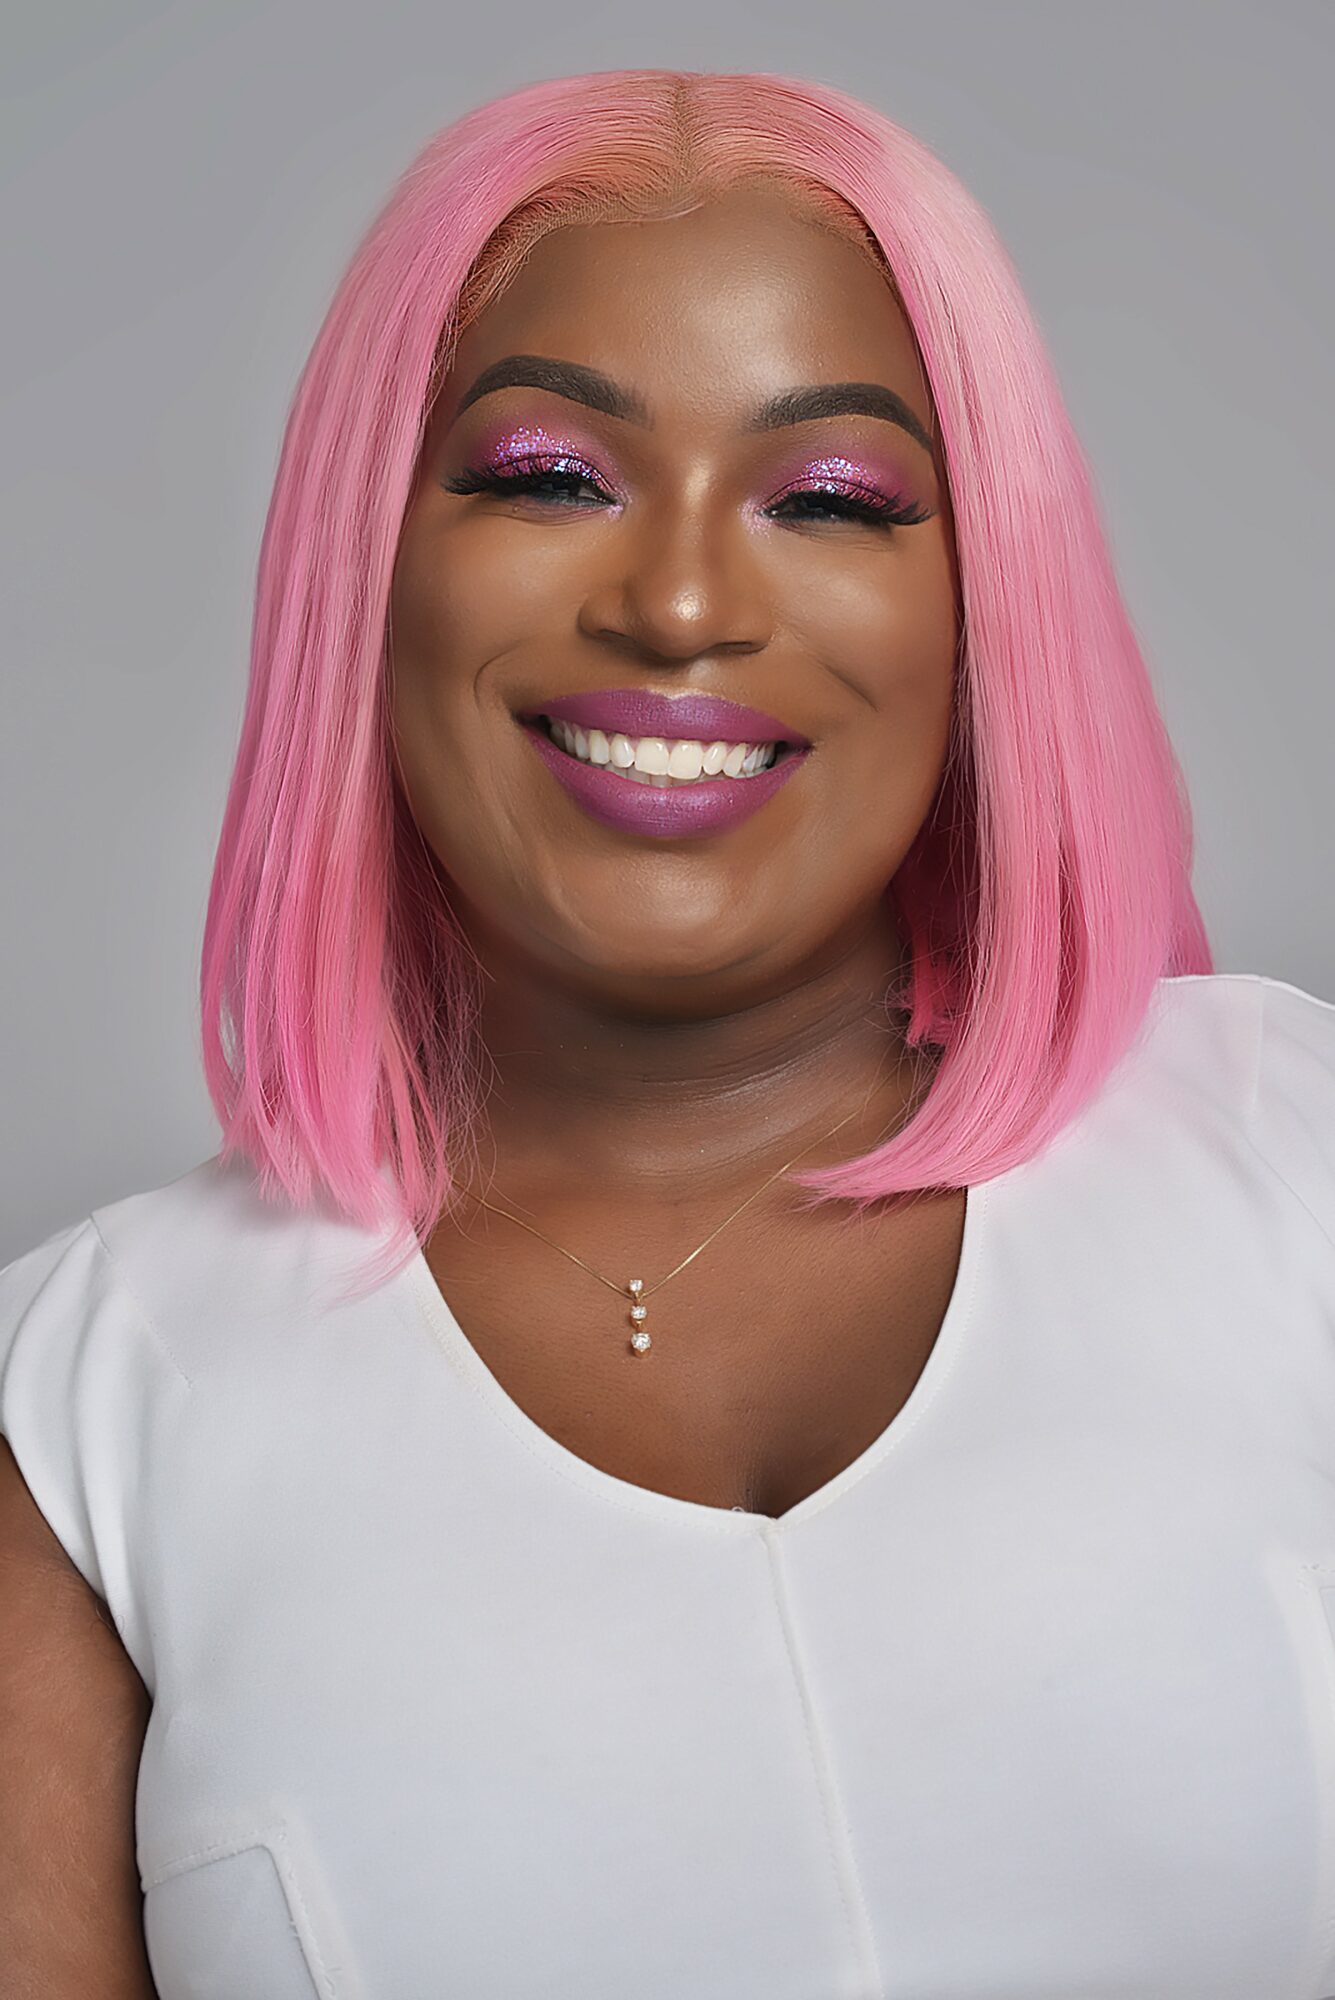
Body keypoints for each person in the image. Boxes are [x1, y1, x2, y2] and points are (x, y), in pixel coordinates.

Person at [2, 66, 1332, 2000]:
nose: (683, 603)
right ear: (371, 560)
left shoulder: (1295, 1165)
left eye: (831, 500)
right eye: (552, 478)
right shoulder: (79, 1420)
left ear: (981, 606)